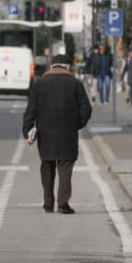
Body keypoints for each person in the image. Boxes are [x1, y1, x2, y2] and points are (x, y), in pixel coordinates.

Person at [22, 54, 92, 214]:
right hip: (68, 132)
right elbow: (86, 109)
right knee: (65, 166)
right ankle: (63, 203)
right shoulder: (75, 84)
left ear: (51, 66)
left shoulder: (40, 84)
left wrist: (28, 132)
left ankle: (48, 203)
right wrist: (77, 124)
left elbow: (30, 111)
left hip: (45, 132)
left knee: (47, 165)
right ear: (67, 66)